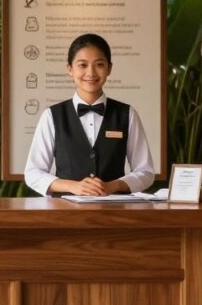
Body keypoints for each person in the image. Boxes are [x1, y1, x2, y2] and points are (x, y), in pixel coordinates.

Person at [24, 33, 154, 196]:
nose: (91, 72)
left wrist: (113, 186)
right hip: (64, 213)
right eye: (82, 65)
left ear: (109, 68)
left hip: (115, 212)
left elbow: (145, 172)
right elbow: (33, 173)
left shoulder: (127, 114)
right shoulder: (51, 116)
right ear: (69, 69)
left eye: (99, 64)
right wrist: (72, 186)